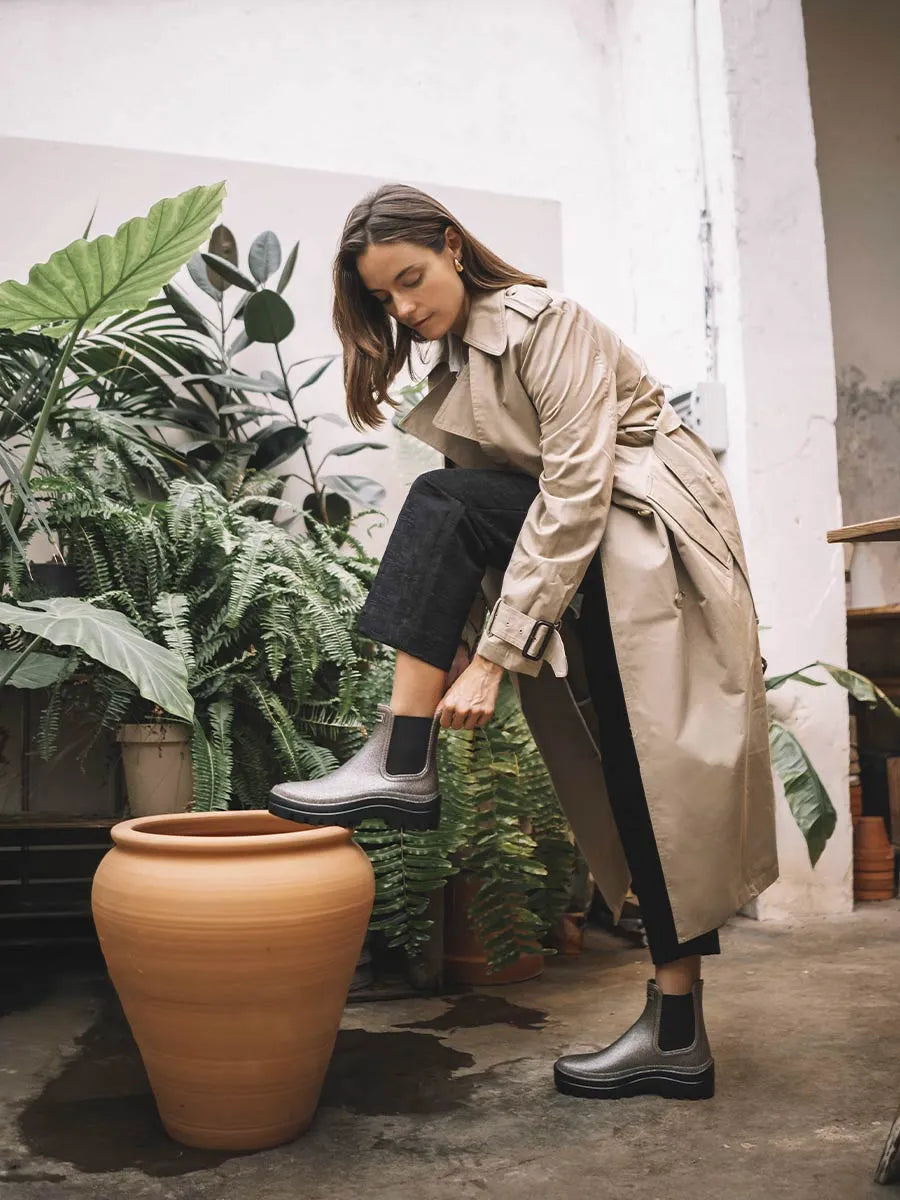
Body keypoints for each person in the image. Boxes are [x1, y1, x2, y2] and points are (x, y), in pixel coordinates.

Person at [269, 183, 779, 1102]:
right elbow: (485, 535)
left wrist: (499, 657)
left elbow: (575, 488)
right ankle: (677, 1038)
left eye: (411, 280)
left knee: (653, 789)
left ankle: (402, 756)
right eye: (385, 299)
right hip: (594, 565)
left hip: (650, 544)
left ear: (454, 248)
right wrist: (471, 650)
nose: (405, 309)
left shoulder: (551, 325)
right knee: (638, 791)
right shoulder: (458, 364)